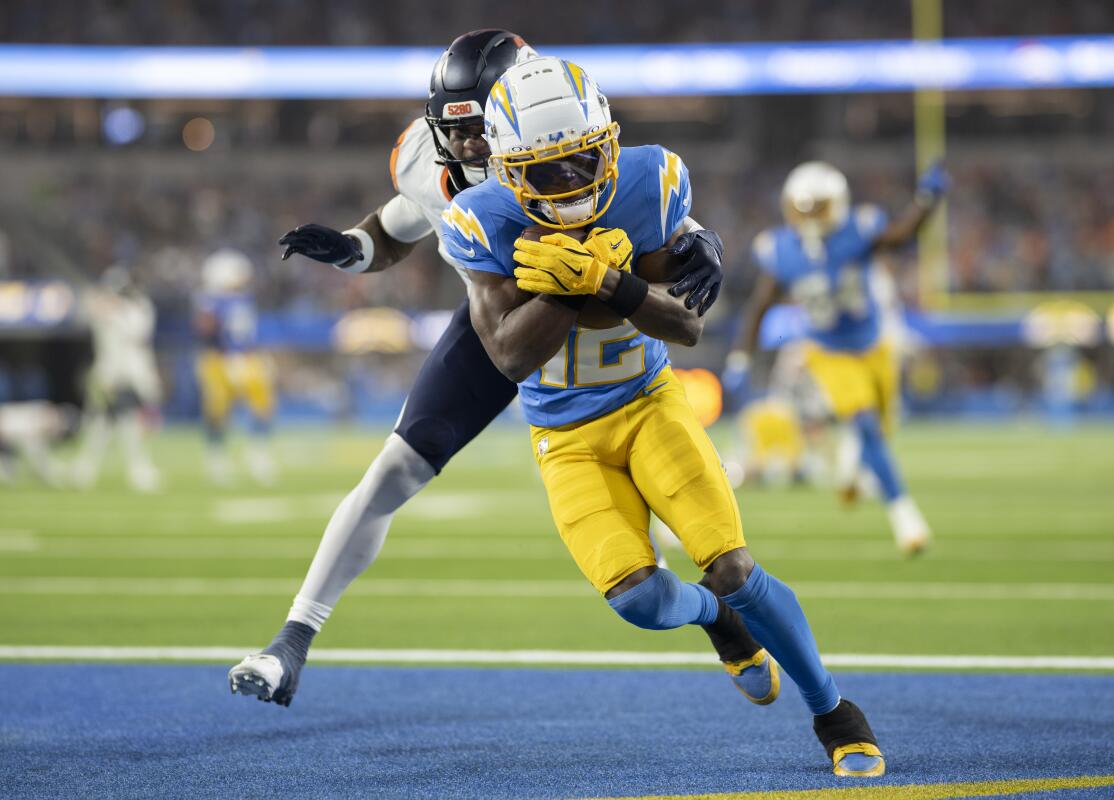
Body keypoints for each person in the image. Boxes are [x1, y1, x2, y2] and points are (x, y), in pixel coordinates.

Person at [229, 31, 771, 710]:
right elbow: (409, 218)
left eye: (480, 132)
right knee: (394, 469)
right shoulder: (432, 157)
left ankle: (722, 600)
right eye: (455, 133)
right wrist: (352, 248)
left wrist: (702, 238)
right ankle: (293, 639)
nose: (467, 149)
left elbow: (652, 208)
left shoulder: (564, 144)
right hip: (508, 325)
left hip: (605, 328)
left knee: (658, 498)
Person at [447, 56, 884, 778]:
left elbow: (685, 329)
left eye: (583, 159)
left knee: (734, 565)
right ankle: (719, 623)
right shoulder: (480, 220)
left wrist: (606, 281)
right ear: (505, 168)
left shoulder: (649, 183)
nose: (572, 183)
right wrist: (580, 288)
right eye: (546, 170)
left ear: (609, 143)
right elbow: (508, 356)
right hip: (566, 439)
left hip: (650, 405)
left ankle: (836, 714)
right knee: (640, 601)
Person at [724, 161, 946, 555]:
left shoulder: (856, 231)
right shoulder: (782, 248)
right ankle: (905, 517)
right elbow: (760, 305)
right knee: (865, 424)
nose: (810, 217)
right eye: (803, 208)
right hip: (828, 351)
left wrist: (926, 202)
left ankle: (853, 467)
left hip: (875, 345)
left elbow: (900, 236)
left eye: (818, 207)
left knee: (879, 427)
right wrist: (741, 355)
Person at [73, 266, 162, 492]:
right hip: (110, 371)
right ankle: (132, 469)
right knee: (108, 421)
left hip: (131, 371)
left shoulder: (137, 308)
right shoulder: (102, 308)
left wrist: (115, 310)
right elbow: (83, 315)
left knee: (120, 421)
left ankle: (88, 467)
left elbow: (138, 334)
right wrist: (96, 303)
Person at [195, 248, 277, 485]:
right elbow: (205, 331)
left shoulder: (245, 298)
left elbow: (248, 332)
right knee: (218, 410)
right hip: (219, 358)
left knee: (262, 404)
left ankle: (257, 454)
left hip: (247, 357)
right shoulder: (211, 301)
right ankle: (216, 458)